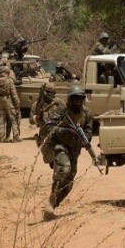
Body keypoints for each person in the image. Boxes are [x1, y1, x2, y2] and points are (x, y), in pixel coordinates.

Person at [40, 83, 102, 220]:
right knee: (64, 168)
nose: (78, 101)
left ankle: (51, 206)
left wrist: (82, 138)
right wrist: (65, 132)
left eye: (80, 99)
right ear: (70, 99)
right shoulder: (62, 110)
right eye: (75, 99)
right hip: (60, 146)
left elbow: (88, 134)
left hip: (74, 150)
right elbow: (48, 127)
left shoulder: (87, 114)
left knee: (68, 183)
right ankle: (51, 200)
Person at [0, 63, 20, 143]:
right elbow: (14, 94)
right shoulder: (9, 80)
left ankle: (2, 138)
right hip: (8, 101)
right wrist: (17, 103)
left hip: (0, 101)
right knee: (13, 119)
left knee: (1, 119)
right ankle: (15, 138)